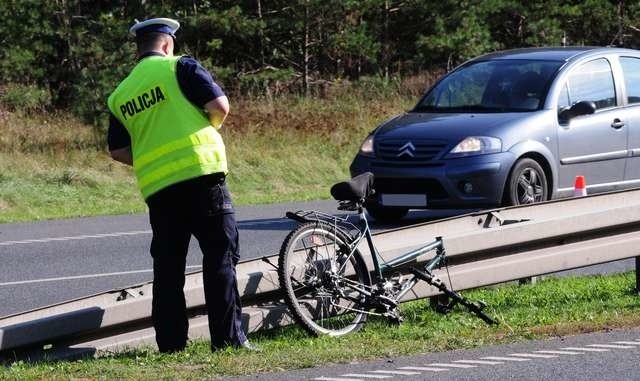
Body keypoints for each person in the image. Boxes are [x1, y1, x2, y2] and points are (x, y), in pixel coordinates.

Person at [106, 17, 252, 353]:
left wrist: (149, 157)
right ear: (168, 44)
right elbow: (220, 106)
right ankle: (228, 340)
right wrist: (207, 129)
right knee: (220, 257)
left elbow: (117, 150)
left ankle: (171, 345)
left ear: (138, 51)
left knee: (168, 268)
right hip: (202, 176)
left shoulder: (121, 94)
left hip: (160, 189)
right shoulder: (180, 67)